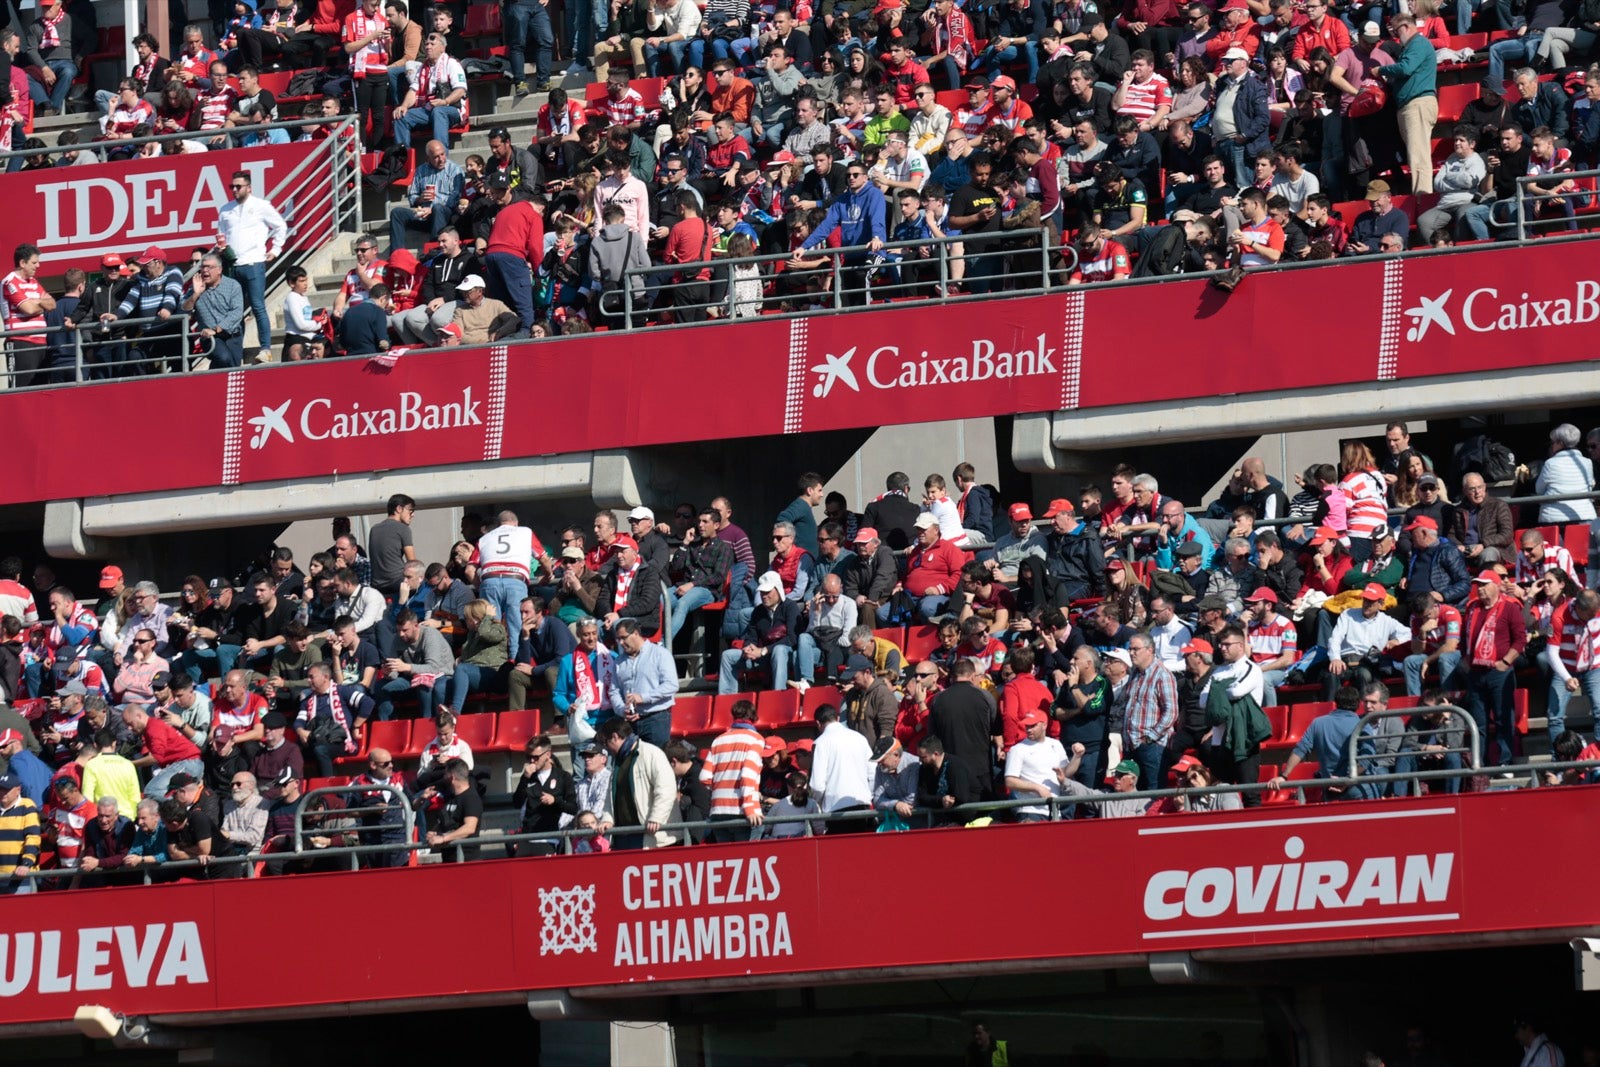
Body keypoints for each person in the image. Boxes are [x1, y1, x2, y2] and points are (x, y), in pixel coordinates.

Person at [215, 170, 288, 362]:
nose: (235, 190)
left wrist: (276, 250)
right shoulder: (225, 209)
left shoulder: (261, 205)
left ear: (249, 188)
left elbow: (281, 226)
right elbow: (220, 235)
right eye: (232, 186)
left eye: (238, 186)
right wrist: (221, 248)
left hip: (254, 262)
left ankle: (265, 348)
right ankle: (236, 352)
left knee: (257, 306)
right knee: (234, 311)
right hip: (232, 265)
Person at [1464, 569, 1526, 767]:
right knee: (1478, 722)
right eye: (1478, 585)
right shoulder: (1473, 608)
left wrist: (1505, 662)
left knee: (1503, 719)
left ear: (1495, 585)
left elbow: (1520, 640)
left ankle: (1505, 761)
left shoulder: (1509, 608)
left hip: (1499, 672)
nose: (1480, 589)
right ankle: (1479, 765)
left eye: (1484, 584)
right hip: (1476, 673)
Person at [596, 716, 677, 849]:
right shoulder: (617, 762)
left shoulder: (651, 753)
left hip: (650, 836)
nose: (606, 748)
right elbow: (610, 797)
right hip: (623, 836)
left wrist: (657, 817)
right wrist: (607, 819)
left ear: (615, 736)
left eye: (606, 743)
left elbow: (666, 788)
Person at [698, 698, 764, 841]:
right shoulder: (756, 739)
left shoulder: (718, 740)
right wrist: (749, 808)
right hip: (742, 811)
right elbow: (748, 775)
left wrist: (721, 787)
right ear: (753, 717)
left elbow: (704, 777)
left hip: (717, 811)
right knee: (748, 860)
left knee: (728, 860)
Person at [609, 617, 676, 747]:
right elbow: (614, 690)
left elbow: (671, 685)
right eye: (618, 639)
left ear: (635, 633)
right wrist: (622, 710)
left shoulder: (660, 654)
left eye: (624, 638)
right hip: (630, 723)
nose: (621, 643)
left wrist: (643, 698)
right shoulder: (618, 662)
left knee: (657, 763)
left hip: (656, 719)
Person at [809, 702, 875, 833]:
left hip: (836, 809)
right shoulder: (859, 738)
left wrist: (819, 803)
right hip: (863, 803)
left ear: (817, 723)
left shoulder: (820, 743)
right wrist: (869, 795)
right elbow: (873, 771)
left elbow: (817, 785)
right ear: (838, 718)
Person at [512, 734, 577, 856]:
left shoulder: (563, 777)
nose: (532, 761)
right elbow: (516, 803)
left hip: (549, 837)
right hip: (527, 837)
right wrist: (525, 779)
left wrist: (555, 801)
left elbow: (573, 808)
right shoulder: (528, 776)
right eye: (529, 757)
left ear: (548, 754)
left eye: (536, 757)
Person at [183, 253, 246, 368]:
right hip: (209, 338)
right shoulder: (195, 287)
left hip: (232, 334)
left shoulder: (233, 285)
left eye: (209, 267)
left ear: (219, 270)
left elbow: (237, 312)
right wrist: (196, 294)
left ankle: (210, 381)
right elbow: (183, 310)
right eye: (203, 267)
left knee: (233, 368)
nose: (205, 271)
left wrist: (217, 329)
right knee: (223, 357)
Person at [425, 758, 481, 861]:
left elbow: (469, 828)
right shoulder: (450, 797)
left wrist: (443, 838)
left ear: (452, 777)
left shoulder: (471, 798)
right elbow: (451, 824)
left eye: (445, 774)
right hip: (449, 858)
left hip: (466, 859)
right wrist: (437, 834)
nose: (443, 777)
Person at [0, 772, 40, 895]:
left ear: (18, 790)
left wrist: (26, 864)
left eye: (6, 790)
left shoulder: (27, 806)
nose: (3, 793)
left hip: (21, 878)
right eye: (1, 789)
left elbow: (33, 838)